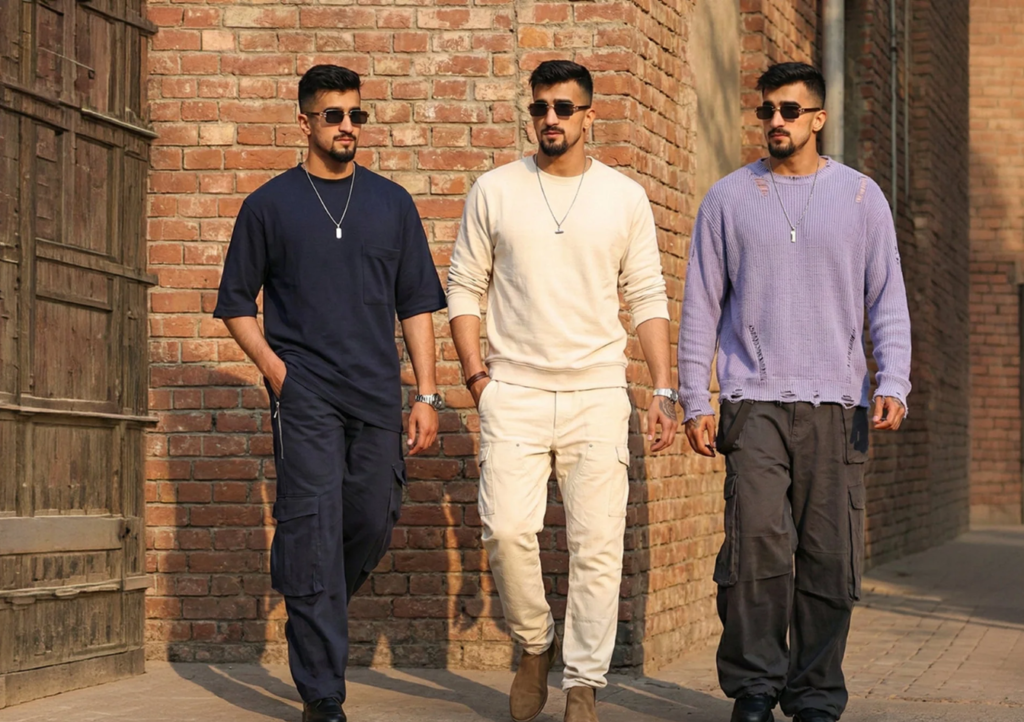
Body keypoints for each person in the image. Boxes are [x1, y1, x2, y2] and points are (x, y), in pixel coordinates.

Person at [678, 62, 912, 722]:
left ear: (818, 118)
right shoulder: (727, 199)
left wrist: (894, 379)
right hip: (753, 402)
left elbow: (886, 297)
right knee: (755, 548)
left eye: (789, 110)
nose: (775, 121)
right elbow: (700, 305)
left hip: (839, 404)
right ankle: (755, 687)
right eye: (767, 110)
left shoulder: (861, 197)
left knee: (830, 556)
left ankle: (814, 696)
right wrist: (695, 397)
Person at [213, 64, 446, 722]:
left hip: (376, 394)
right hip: (306, 394)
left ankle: (310, 595)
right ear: (305, 122)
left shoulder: (392, 204)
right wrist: (276, 370)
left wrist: (427, 394)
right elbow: (235, 304)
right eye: (334, 115)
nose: (348, 126)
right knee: (313, 529)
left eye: (356, 115)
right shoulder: (269, 205)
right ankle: (323, 693)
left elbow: (416, 304)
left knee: (371, 518)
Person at [447, 60, 677, 722]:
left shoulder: (623, 197)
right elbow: (465, 285)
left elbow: (647, 295)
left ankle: (582, 686)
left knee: (597, 547)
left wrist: (663, 387)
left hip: (598, 391)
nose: (551, 118)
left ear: (588, 116)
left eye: (564, 107)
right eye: (540, 107)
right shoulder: (495, 189)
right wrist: (477, 377)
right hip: (513, 390)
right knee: (506, 530)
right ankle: (535, 644)